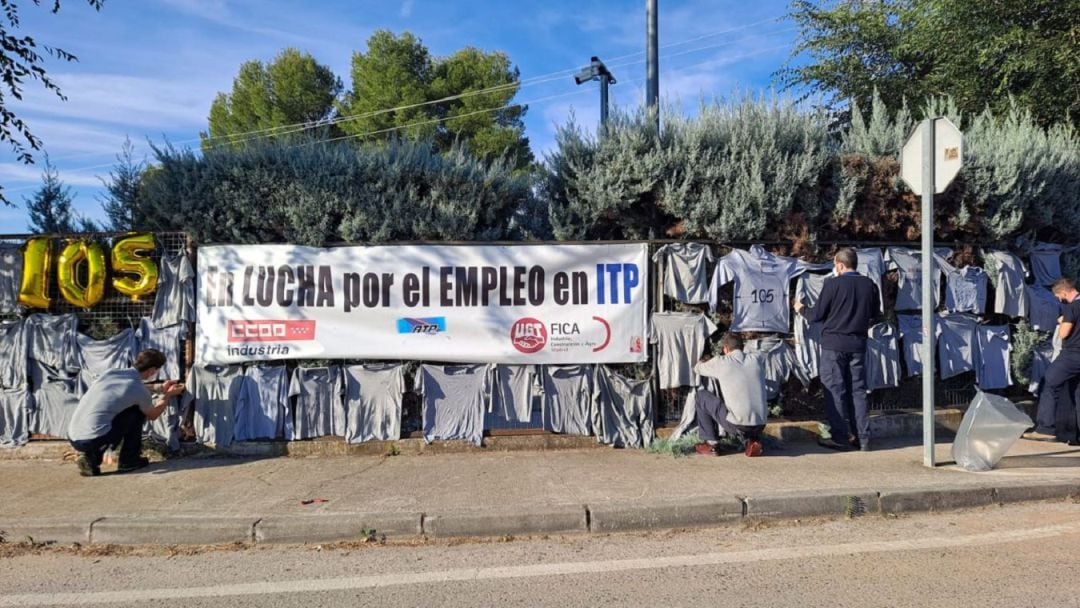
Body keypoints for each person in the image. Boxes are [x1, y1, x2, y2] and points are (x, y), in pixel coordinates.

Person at [794, 248, 880, 452]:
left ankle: (840, 437)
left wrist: (800, 308)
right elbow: (875, 313)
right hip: (858, 344)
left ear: (840, 264)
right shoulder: (870, 285)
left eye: (835, 265)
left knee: (835, 390)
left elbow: (816, 315)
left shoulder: (832, 284)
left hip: (834, 345)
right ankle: (863, 438)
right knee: (858, 392)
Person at [67, 349, 185, 477]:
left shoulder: (111, 373)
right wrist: (168, 395)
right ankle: (129, 461)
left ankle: (90, 459)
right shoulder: (138, 390)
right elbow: (153, 414)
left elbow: (131, 389)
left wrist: (159, 388)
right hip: (92, 438)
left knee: (108, 417)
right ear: (152, 370)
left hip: (73, 436)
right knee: (136, 412)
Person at [692, 332, 768, 457]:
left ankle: (711, 443)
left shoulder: (722, 361)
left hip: (738, 424)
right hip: (760, 424)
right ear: (742, 347)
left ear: (725, 348)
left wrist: (703, 360)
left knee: (701, 396)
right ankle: (753, 441)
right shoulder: (756, 359)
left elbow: (698, 369)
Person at [1030, 278, 1080, 445]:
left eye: (1059, 296)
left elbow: (1064, 334)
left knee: (1049, 383)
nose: (1060, 300)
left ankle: (1045, 429)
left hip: (1071, 355)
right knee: (1077, 393)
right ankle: (1076, 435)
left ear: (1065, 292)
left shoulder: (1072, 307)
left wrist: (1062, 321)